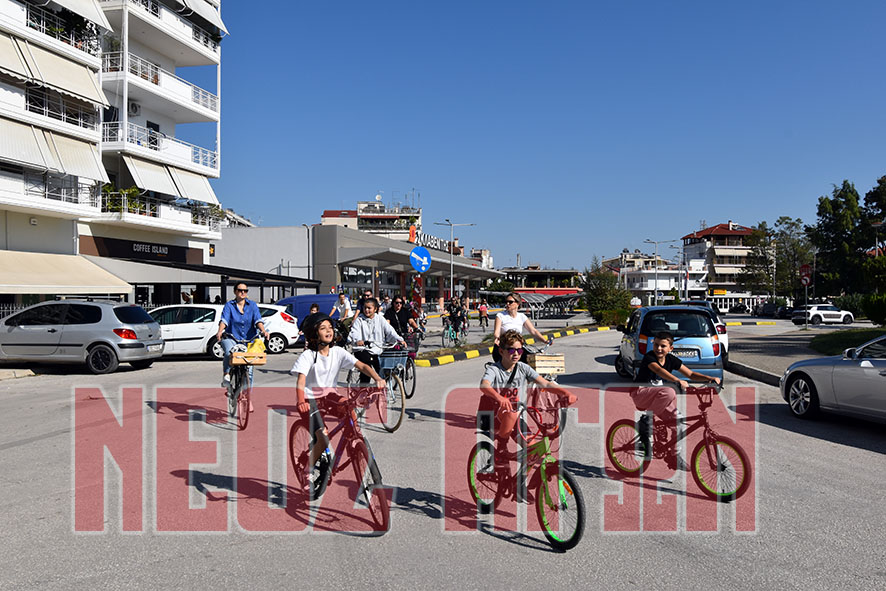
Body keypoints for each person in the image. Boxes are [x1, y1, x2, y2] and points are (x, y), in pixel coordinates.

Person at [291, 314, 386, 495]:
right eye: (323, 328)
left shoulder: (338, 352)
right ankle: (307, 469)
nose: (329, 331)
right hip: (311, 400)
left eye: (330, 327)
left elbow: (362, 366)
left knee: (350, 409)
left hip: (330, 396)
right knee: (324, 437)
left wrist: (377, 378)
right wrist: (300, 401)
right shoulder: (308, 355)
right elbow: (301, 381)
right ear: (314, 334)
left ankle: (356, 439)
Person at [478, 330, 576, 465]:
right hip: (496, 418)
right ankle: (501, 447)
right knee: (511, 413)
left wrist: (565, 393)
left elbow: (545, 383)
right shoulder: (494, 369)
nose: (516, 354)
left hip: (517, 418)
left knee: (533, 450)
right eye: (511, 350)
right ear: (501, 351)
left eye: (519, 351)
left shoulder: (523, 368)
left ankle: (521, 482)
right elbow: (484, 385)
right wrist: (500, 398)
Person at [632, 331, 721, 469]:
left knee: (678, 422)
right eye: (656, 345)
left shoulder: (671, 360)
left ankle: (674, 457)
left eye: (663, 346)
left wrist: (708, 378)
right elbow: (659, 371)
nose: (659, 349)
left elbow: (690, 374)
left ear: (670, 348)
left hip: (659, 397)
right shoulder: (649, 358)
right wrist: (677, 380)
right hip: (640, 393)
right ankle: (646, 420)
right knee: (669, 391)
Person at [216, 283, 269, 388]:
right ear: (235, 291)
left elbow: (258, 320)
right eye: (240, 290)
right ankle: (226, 375)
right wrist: (220, 331)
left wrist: (263, 331)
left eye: (245, 290)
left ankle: (247, 398)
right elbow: (224, 320)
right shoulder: (229, 305)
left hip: (249, 340)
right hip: (232, 337)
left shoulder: (252, 305)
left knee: (249, 370)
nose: (243, 292)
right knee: (228, 352)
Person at [348, 297, 405, 383]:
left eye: (369, 308)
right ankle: (363, 389)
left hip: (377, 349)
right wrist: (358, 340)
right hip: (362, 349)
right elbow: (354, 332)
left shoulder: (380, 319)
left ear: (375, 309)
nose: (366, 310)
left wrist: (400, 339)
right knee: (367, 366)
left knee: (381, 370)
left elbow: (390, 330)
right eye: (365, 308)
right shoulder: (359, 320)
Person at [492, 292, 550, 363]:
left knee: (531, 361)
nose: (507, 304)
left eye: (510, 302)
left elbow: (533, 331)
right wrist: (497, 338)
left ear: (518, 304)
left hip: (516, 347)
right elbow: (496, 332)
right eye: (506, 302)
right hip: (504, 347)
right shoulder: (500, 315)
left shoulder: (521, 316)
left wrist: (545, 341)